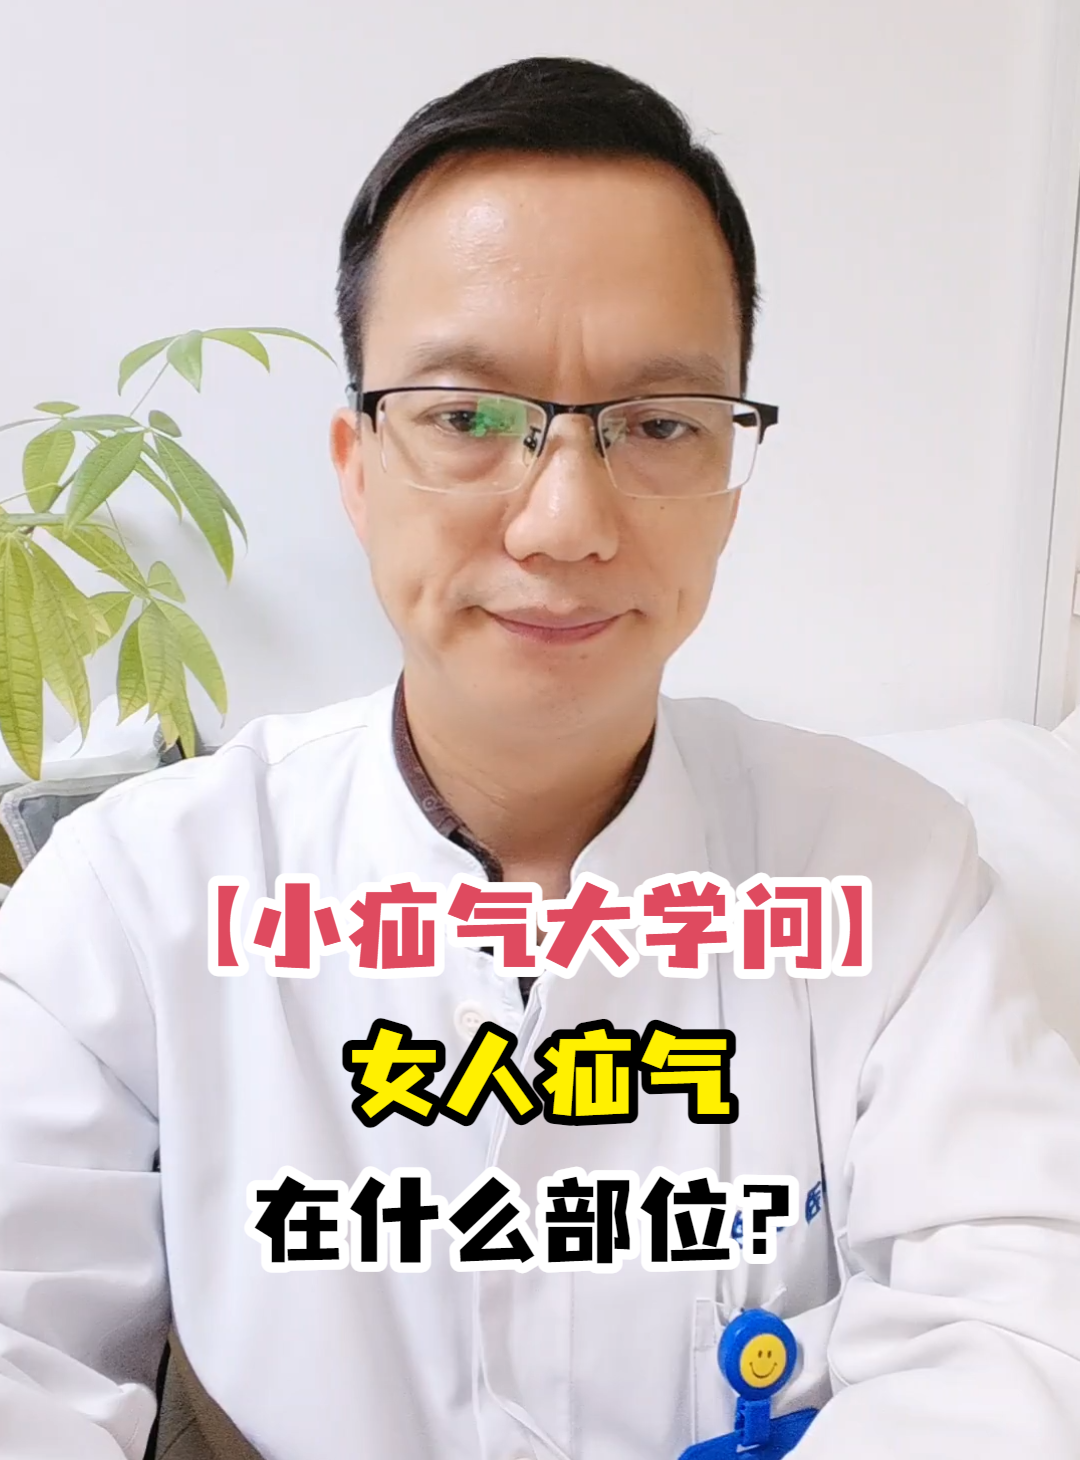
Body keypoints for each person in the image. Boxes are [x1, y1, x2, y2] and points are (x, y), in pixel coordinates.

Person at [1, 55, 1079, 1460]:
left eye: (661, 425)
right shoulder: (133, 901)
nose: (564, 521)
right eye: (468, 418)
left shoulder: (897, 876)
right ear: (357, 466)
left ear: (729, 481)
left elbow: (1018, 1339)